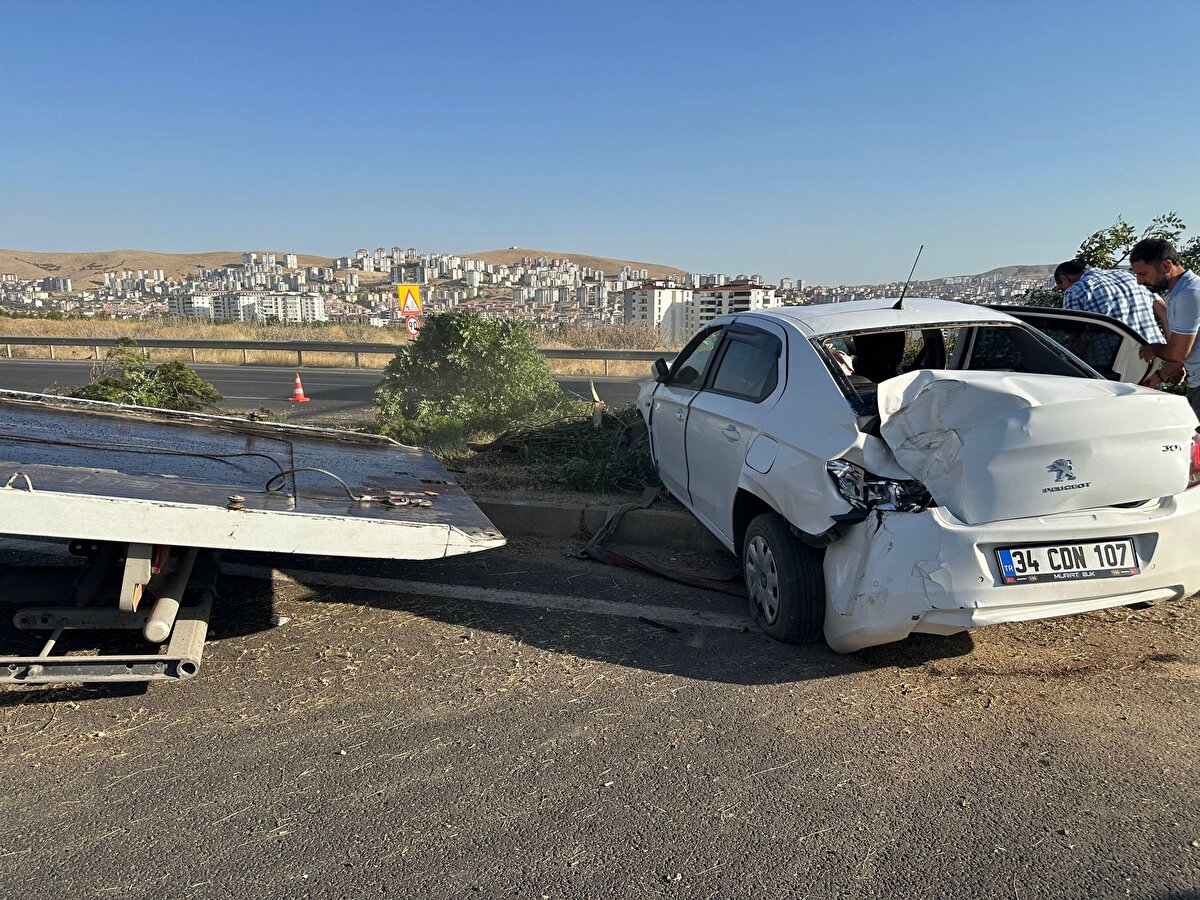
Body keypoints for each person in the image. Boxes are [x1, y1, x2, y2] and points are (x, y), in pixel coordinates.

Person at [1130, 238, 1200, 421]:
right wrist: (1160, 376)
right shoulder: (1185, 290)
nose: (1139, 281)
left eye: (1143, 274)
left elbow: (1178, 353)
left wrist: (1154, 349)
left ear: (1166, 266)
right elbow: (1190, 347)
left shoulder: (1188, 295)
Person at [1053, 259, 1166, 343]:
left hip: (1116, 362)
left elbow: (1075, 335)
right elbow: (1163, 310)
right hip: (1155, 350)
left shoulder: (1074, 291)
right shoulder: (1129, 275)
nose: (1064, 291)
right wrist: (1174, 356)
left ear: (1064, 279)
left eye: (1062, 288)